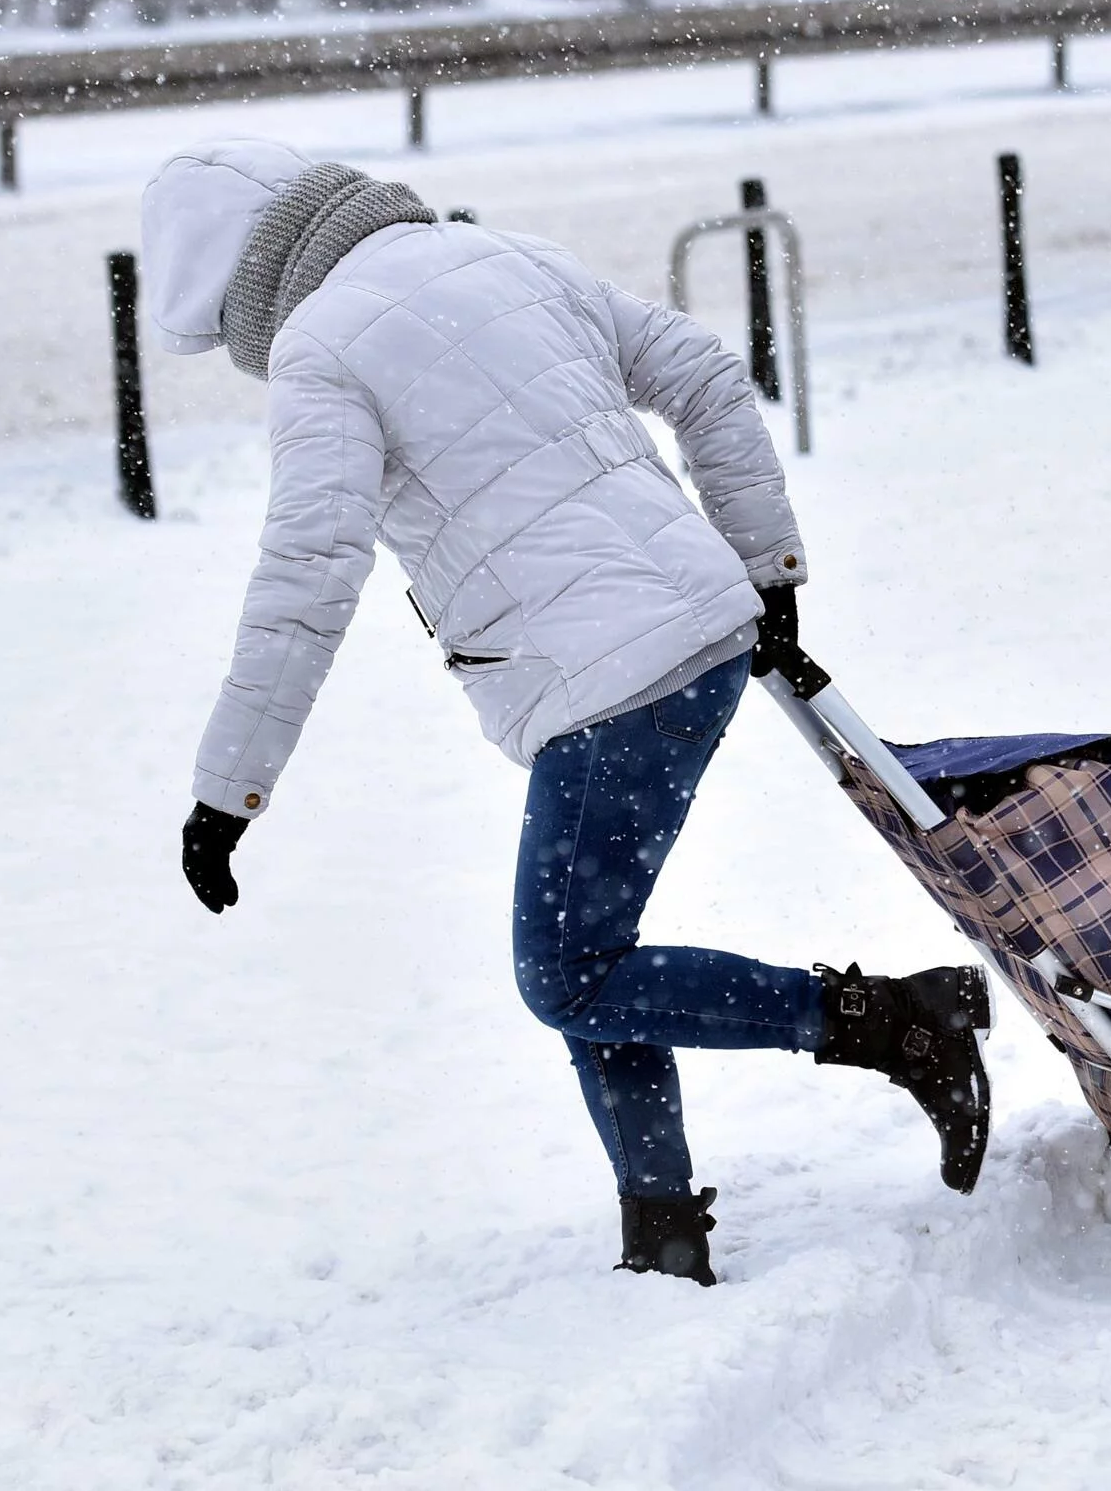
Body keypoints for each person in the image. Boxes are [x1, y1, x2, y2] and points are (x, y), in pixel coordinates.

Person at [142, 139, 990, 1285]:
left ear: (240, 286)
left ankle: (894, 1023)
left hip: (609, 683)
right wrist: (766, 568)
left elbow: (309, 571)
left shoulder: (320, 349)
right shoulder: (496, 253)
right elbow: (699, 369)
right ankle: (662, 1232)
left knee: (567, 972)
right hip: (686, 635)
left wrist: (225, 794)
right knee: (593, 950)